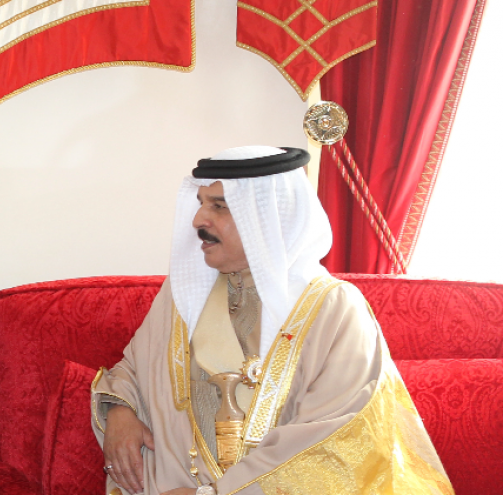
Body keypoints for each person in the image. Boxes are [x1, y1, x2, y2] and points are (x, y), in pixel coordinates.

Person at [91, 146, 452, 495]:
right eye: (201, 204)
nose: (199, 220)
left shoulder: (336, 308)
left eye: (219, 206)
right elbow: (135, 370)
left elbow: (332, 439)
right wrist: (121, 411)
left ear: (268, 217)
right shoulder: (183, 293)